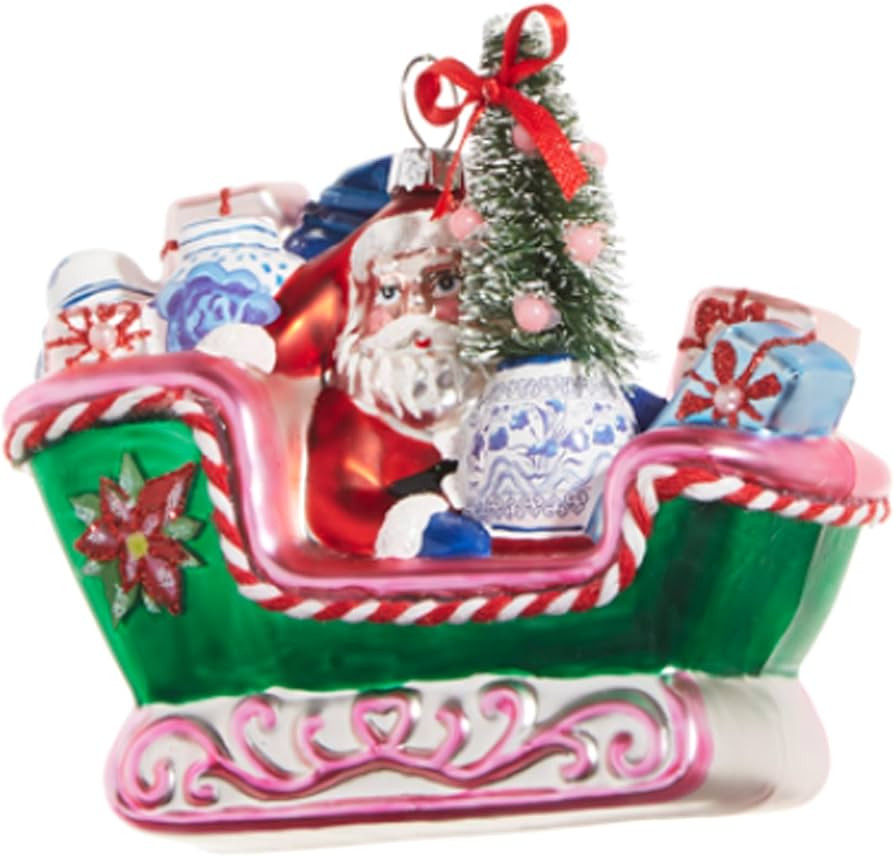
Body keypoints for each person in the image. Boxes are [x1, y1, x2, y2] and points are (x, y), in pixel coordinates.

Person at [270, 197, 488, 558]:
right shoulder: (354, 409)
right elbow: (337, 508)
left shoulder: (508, 386)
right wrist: (415, 527)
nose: (415, 311)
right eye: (390, 292)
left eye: (444, 283)